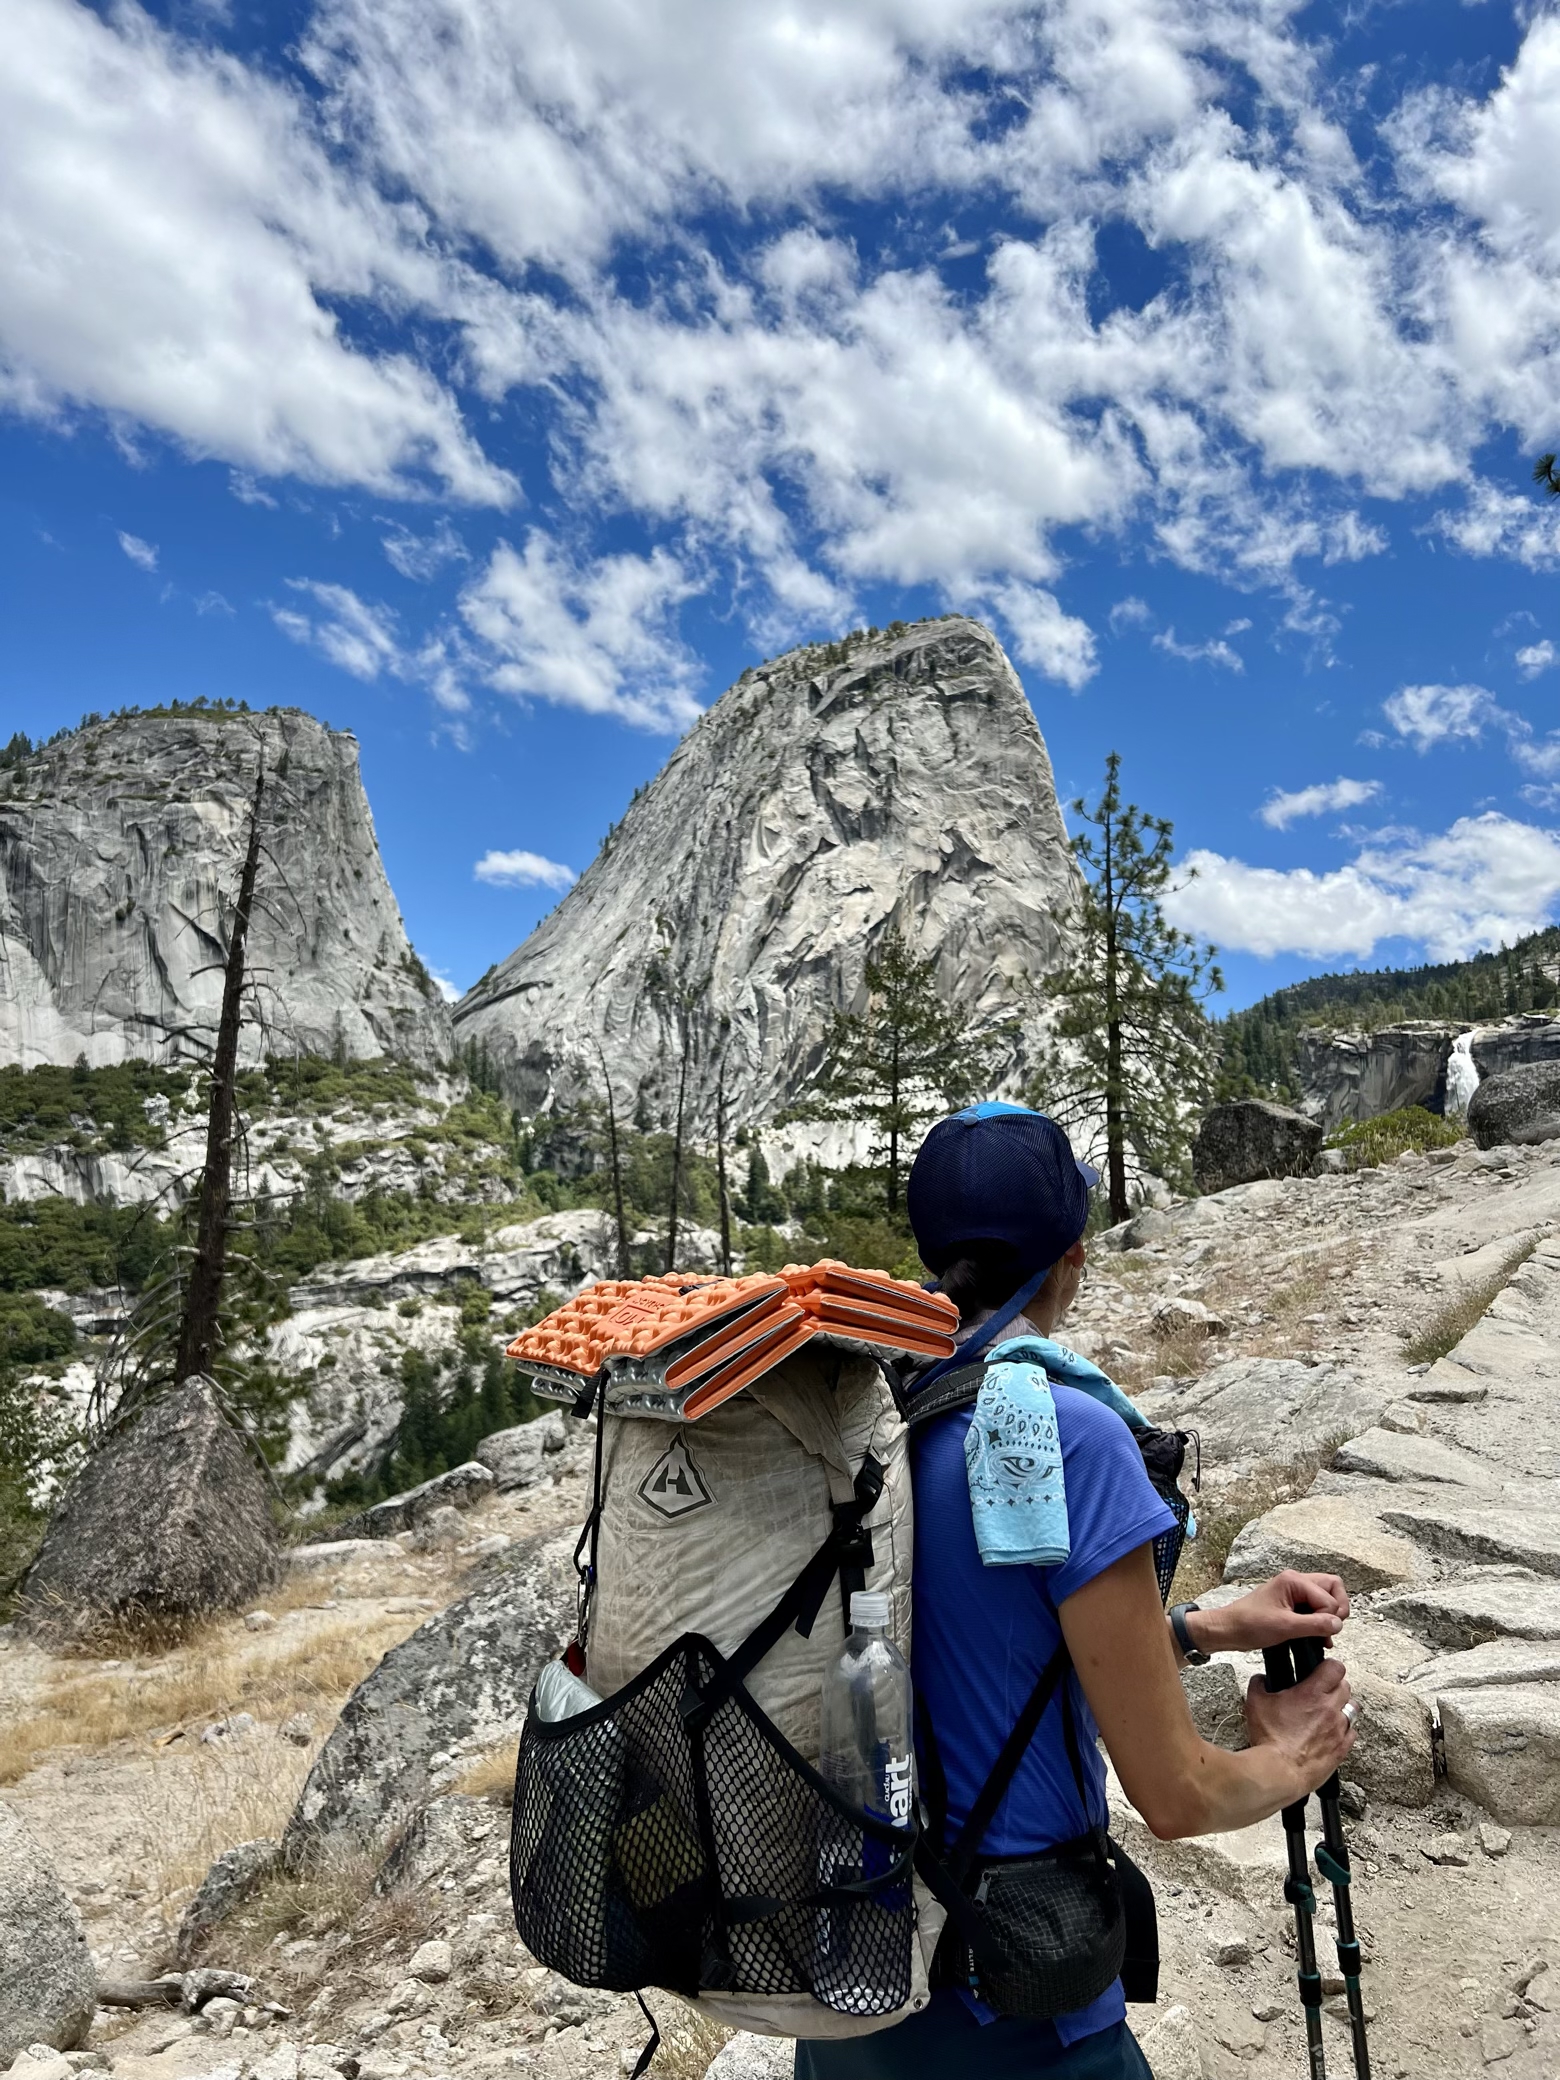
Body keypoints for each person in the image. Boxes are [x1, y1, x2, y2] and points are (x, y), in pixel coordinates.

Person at [797, 1103, 1356, 2080]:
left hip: (854, 1995)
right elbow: (1178, 1794)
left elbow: (972, 1646)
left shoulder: (857, 1415)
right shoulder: (1063, 1437)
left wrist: (1203, 1626)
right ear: (1073, 1256)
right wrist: (1290, 1758)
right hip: (1020, 2012)